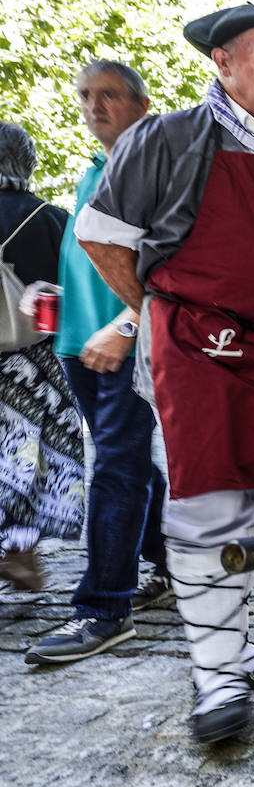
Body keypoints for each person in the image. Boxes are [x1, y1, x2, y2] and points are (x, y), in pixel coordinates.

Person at [76, 4, 254, 744]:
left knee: (253, 501)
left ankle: (237, 647)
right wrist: (160, 313)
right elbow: (101, 236)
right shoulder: (167, 137)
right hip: (198, 345)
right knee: (205, 505)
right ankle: (217, 680)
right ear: (221, 62)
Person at [25, 62, 172, 667]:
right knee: (130, 463)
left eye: (108, 95)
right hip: (79, 344)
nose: (93, 106)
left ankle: (104, 609)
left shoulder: (155, 163)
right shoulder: (95, 168)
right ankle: (172, 562)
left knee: (114, 467)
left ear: (140, 102)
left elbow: (174, 260)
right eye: (85, 95)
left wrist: (129, 324)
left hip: (128, 343)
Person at [0, 123, 83, 592]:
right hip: (36, 363)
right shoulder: (50, 219)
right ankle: (21, 552)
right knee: (31, 455)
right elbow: (77, 291)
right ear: (26, 162)